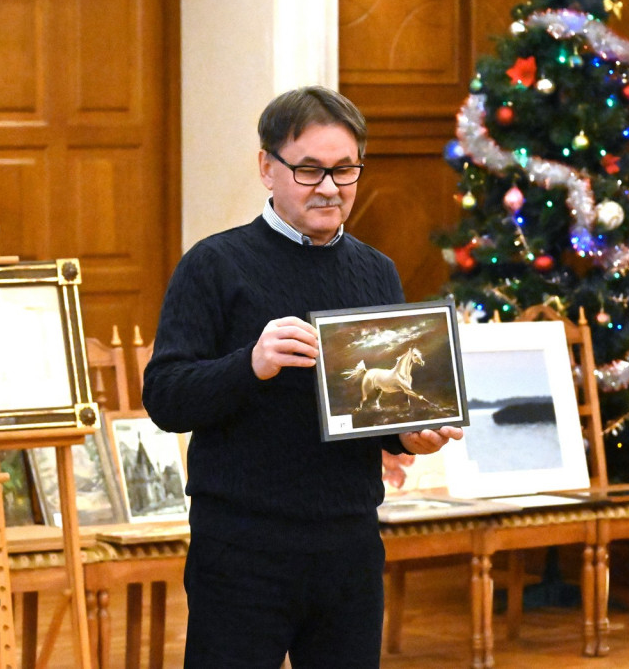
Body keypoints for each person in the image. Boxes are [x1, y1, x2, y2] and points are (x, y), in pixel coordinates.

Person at [142, 85, 462, 668]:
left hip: (349, 545)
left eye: (345, 170)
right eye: (309, 170)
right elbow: (165, 396)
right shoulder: (214, 264)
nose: (330, 188)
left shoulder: (376, 272)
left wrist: (407, 435)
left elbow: (371, 415)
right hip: (243, 548)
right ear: (267, 167)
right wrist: (250, 364)